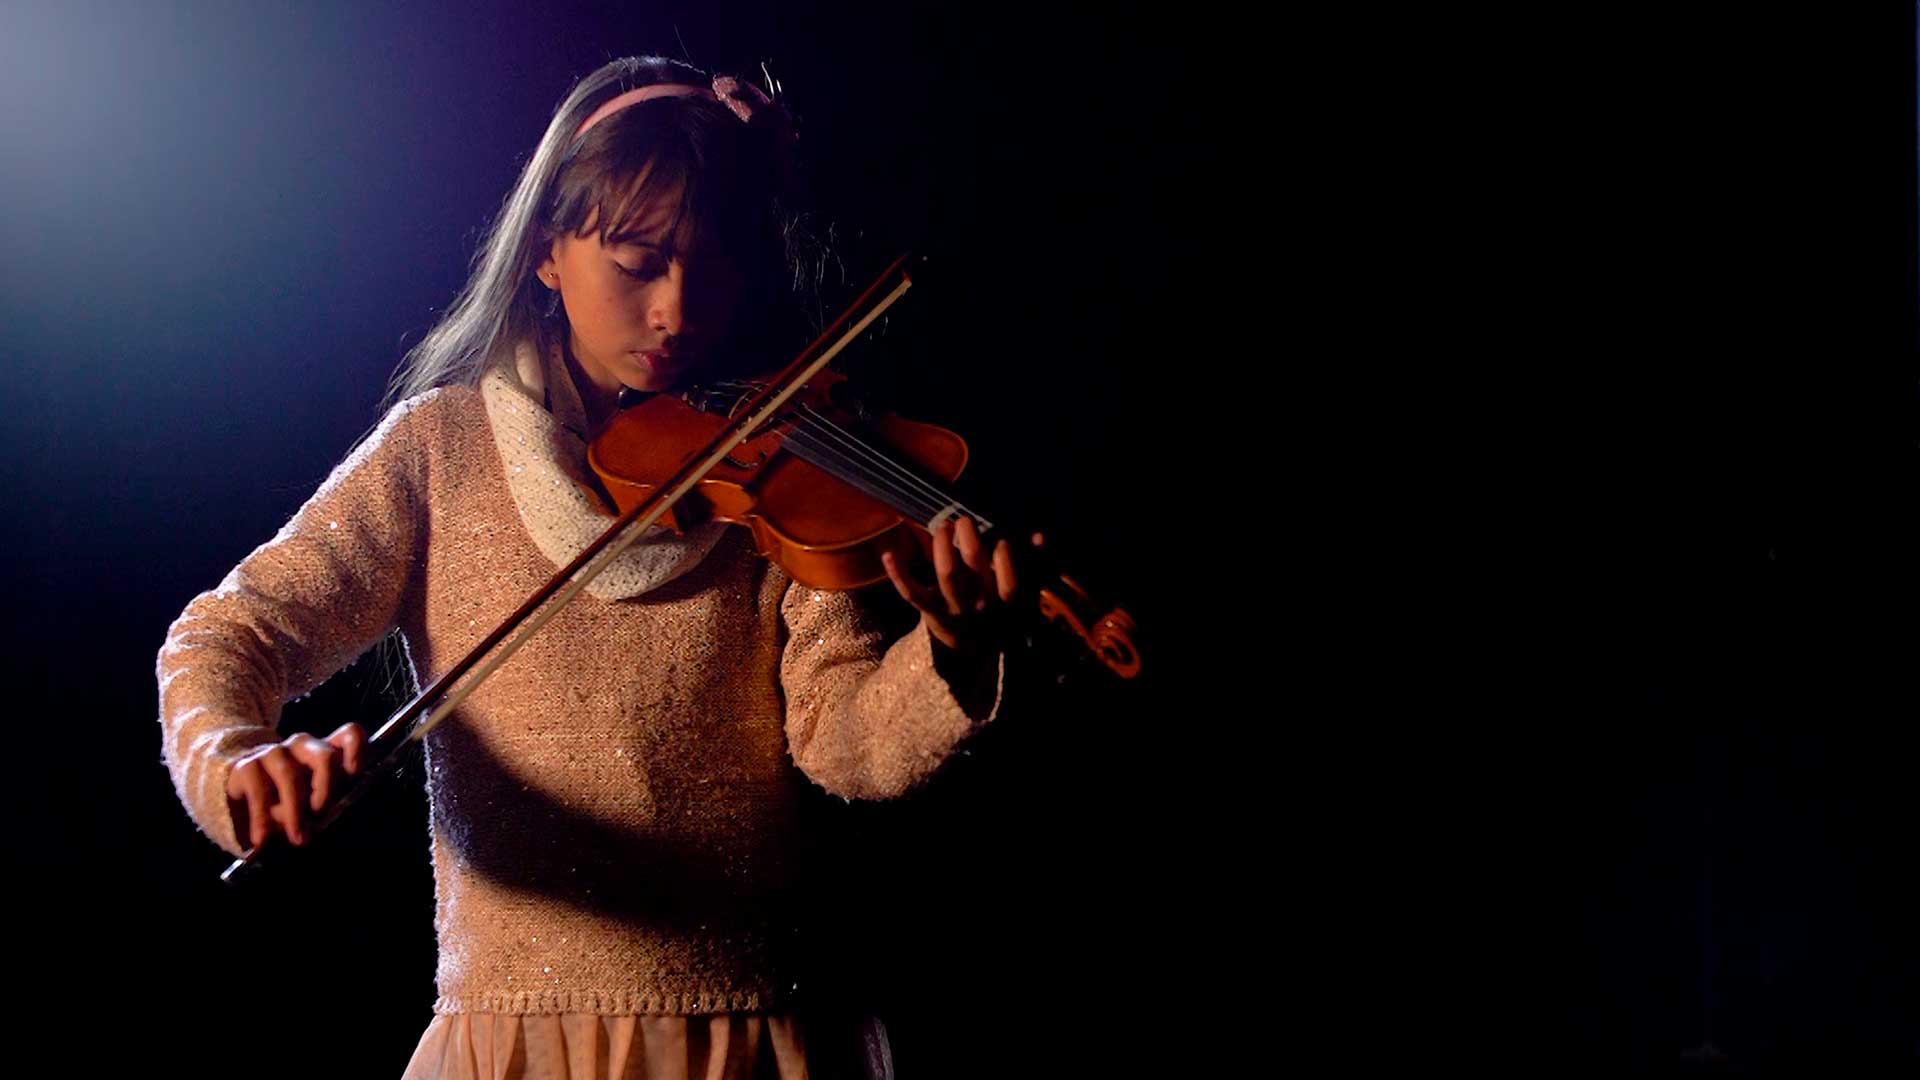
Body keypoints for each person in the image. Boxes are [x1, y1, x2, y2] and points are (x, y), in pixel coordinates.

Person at [155, 54, 1030, 1079]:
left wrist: (953, 658)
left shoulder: (783, 460)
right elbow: (232, 630)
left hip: (763, 1041)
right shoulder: (442, 452)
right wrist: (232, 761)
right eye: (637, 262)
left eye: (711, 265)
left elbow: (842, 740)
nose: (677, 311)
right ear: (546, 253)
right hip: (516, 1042)